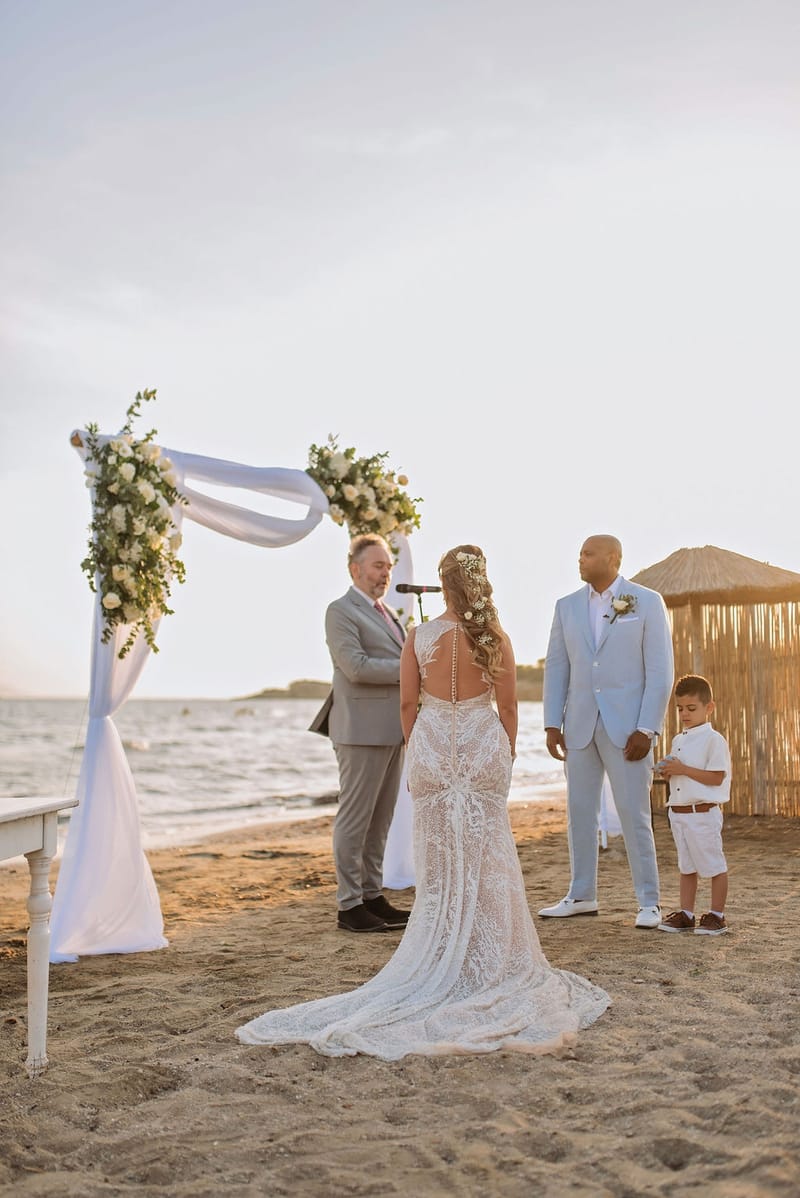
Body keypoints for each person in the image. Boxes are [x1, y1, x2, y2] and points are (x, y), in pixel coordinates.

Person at [236, 545, 610, 1058]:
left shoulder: (418, 637)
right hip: (481, 745)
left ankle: (441, 949)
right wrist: (505, 754)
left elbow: (408, 702)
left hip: (434, 745)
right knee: (488, 854)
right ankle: (488, 953)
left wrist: (418, 751)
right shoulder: (495, 638)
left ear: (444, 584)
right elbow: (506, 707)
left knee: (439, 858)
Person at [540, 534, 674, 929]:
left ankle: (649, 902)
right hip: (579, 726)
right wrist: (551, 723)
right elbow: (557, 667)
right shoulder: (565, 607)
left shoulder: (646, 601)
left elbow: (660, 672)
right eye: (579, 552)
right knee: (579, 813)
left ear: (614, 558)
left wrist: (646, 728)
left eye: (588, 553)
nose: (580, 558)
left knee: (635, 815)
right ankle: (582, 895)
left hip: (628, 729)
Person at [308, 532, 410, 934]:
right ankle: (349, 905)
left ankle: (372, 895)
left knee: (380, 820)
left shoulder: (388, 613)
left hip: (391, 730)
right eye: (378, 565)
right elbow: (356, 667)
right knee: (355, 820)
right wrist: (412, 669)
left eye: (387, 566)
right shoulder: (341, 611)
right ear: (355, 569)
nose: (385, 573)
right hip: (360, 730)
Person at [656, 674, 731, 935]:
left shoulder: (714, 740)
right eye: (679, 709)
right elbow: (682, 774)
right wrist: (669, 771)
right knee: (686, 866)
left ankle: (717, 916)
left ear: (708, 707)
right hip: (679, 813)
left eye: (691, 708)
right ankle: (686, 914)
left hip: (702, 814)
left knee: (713, 866)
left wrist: (683, 769)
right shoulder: (679, 739)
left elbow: (716, 776)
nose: (684, 714)